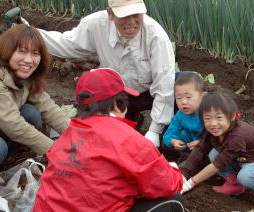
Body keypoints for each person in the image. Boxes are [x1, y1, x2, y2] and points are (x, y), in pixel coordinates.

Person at [33, 68, 184, 212]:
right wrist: (173, 169)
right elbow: (168, 184)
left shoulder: (69, 133)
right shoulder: (129, 139)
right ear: (117, 105)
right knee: (174, 200)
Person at [38, 0, 175, 147]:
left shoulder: (156, 36)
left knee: (182, 85)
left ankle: (168, 136)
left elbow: (164, 85)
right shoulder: (96, 24)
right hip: (119, 96)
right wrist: (32, 34)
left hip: (150, 94)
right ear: (110, 13)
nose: (131, 22)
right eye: (124, 16)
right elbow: (68, 43)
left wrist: (154, 131)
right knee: (111, 140)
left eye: (136, 14)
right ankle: (129, 119)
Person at [0, 24, 70, 176]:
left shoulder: (23, 74)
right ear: (8, 50)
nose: (29, 60)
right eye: (22, 51)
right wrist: (56, 152)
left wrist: (80, 137)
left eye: (35, 53)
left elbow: (49, 108)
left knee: (30, 114)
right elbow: (12, 124)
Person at [180, 92, 254, 212]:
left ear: (232, 117)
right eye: (207, 118)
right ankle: (235, 185)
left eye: (219, 117)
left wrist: (190, 183)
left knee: (246, 176)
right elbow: (200, 148)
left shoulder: (238, 135)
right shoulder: (212, 131)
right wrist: (183, 174)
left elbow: (218, 165)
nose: (213, 123)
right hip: (240, 159)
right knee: (213, 154)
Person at [163, 71, 206, 153]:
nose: (183, 102)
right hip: (192, 147)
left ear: (203, 97)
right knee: (182, 134)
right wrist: (173, 141)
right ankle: (187, 157)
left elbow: (218, 136)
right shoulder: (180, 115)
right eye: (178, 98)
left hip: (210, 147)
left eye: (188, 97)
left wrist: (202, 143)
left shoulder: (209, 113)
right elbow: (169, 133)